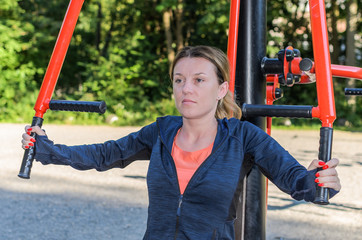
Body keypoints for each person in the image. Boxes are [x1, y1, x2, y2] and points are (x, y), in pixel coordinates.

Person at [21, 45, 341, 240]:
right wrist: (48, 150)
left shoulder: (242, 137)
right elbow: (106, 154)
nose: (186, 88)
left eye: (199, 80)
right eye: (179, 80)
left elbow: (293, 178)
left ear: (220, 89)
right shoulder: (162, 131)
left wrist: (315, 183)